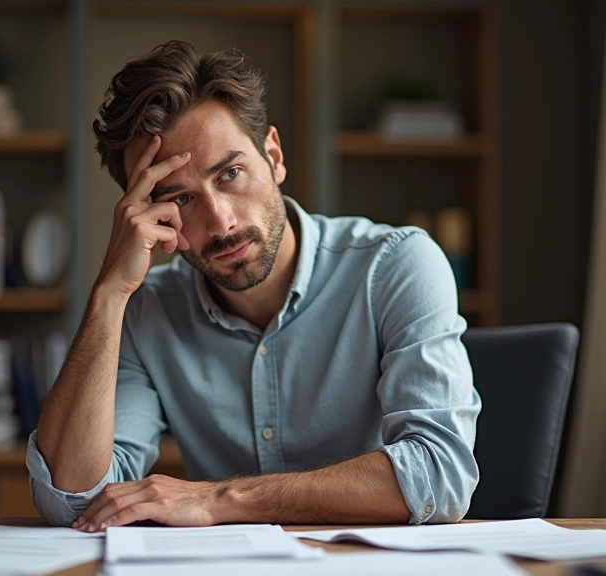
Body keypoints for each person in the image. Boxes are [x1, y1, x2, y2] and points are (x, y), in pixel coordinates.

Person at [28, 40, 480, 531]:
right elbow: (73, 502)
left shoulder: (396, 266)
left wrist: (223, 499)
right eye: (181, 199)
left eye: (230, 173)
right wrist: (109, 292)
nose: (221, 222)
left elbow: (439, 475)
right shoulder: (148, 311)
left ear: (274, 156)